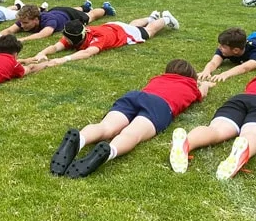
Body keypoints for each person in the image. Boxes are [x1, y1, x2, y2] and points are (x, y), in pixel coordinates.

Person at [51, 59, 206, 178]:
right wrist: (204, 83)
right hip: (160, 105)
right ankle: (110, 151)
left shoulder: (158, 78)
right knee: (131, 134)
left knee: (106, 126)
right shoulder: (191, 85)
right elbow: (203, 91)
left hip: (135, 96)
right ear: (192, 77)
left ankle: (81, 140)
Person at [169, 56, 256, 180]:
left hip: (241, 100)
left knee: (217, 129)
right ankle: (241, 152)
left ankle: (188, 141)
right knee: (254, 133)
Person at [26, 10, 180, 65]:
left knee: (148, 32)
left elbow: (87, 53)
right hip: (113, 25)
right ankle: (150, 17)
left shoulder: (99, 38)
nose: (66, 42)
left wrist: (62, 59)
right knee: (133, 25)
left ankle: (166, 19)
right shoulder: (75, 33)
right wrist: (42, 53)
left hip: (121, 32)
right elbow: (56, 47)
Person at [0, 1, 116, 43]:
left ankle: (105, 8)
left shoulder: (50, 22)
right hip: (56, 10)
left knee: (90, 16)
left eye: (25, 23)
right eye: (21, 23)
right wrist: (0, 35)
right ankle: (85, 5)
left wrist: (20, 40)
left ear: (36, 19)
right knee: (74, 9)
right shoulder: (24, 20)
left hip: (68, 15)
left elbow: (43, 34)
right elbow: (10, 29)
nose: (22, 25)